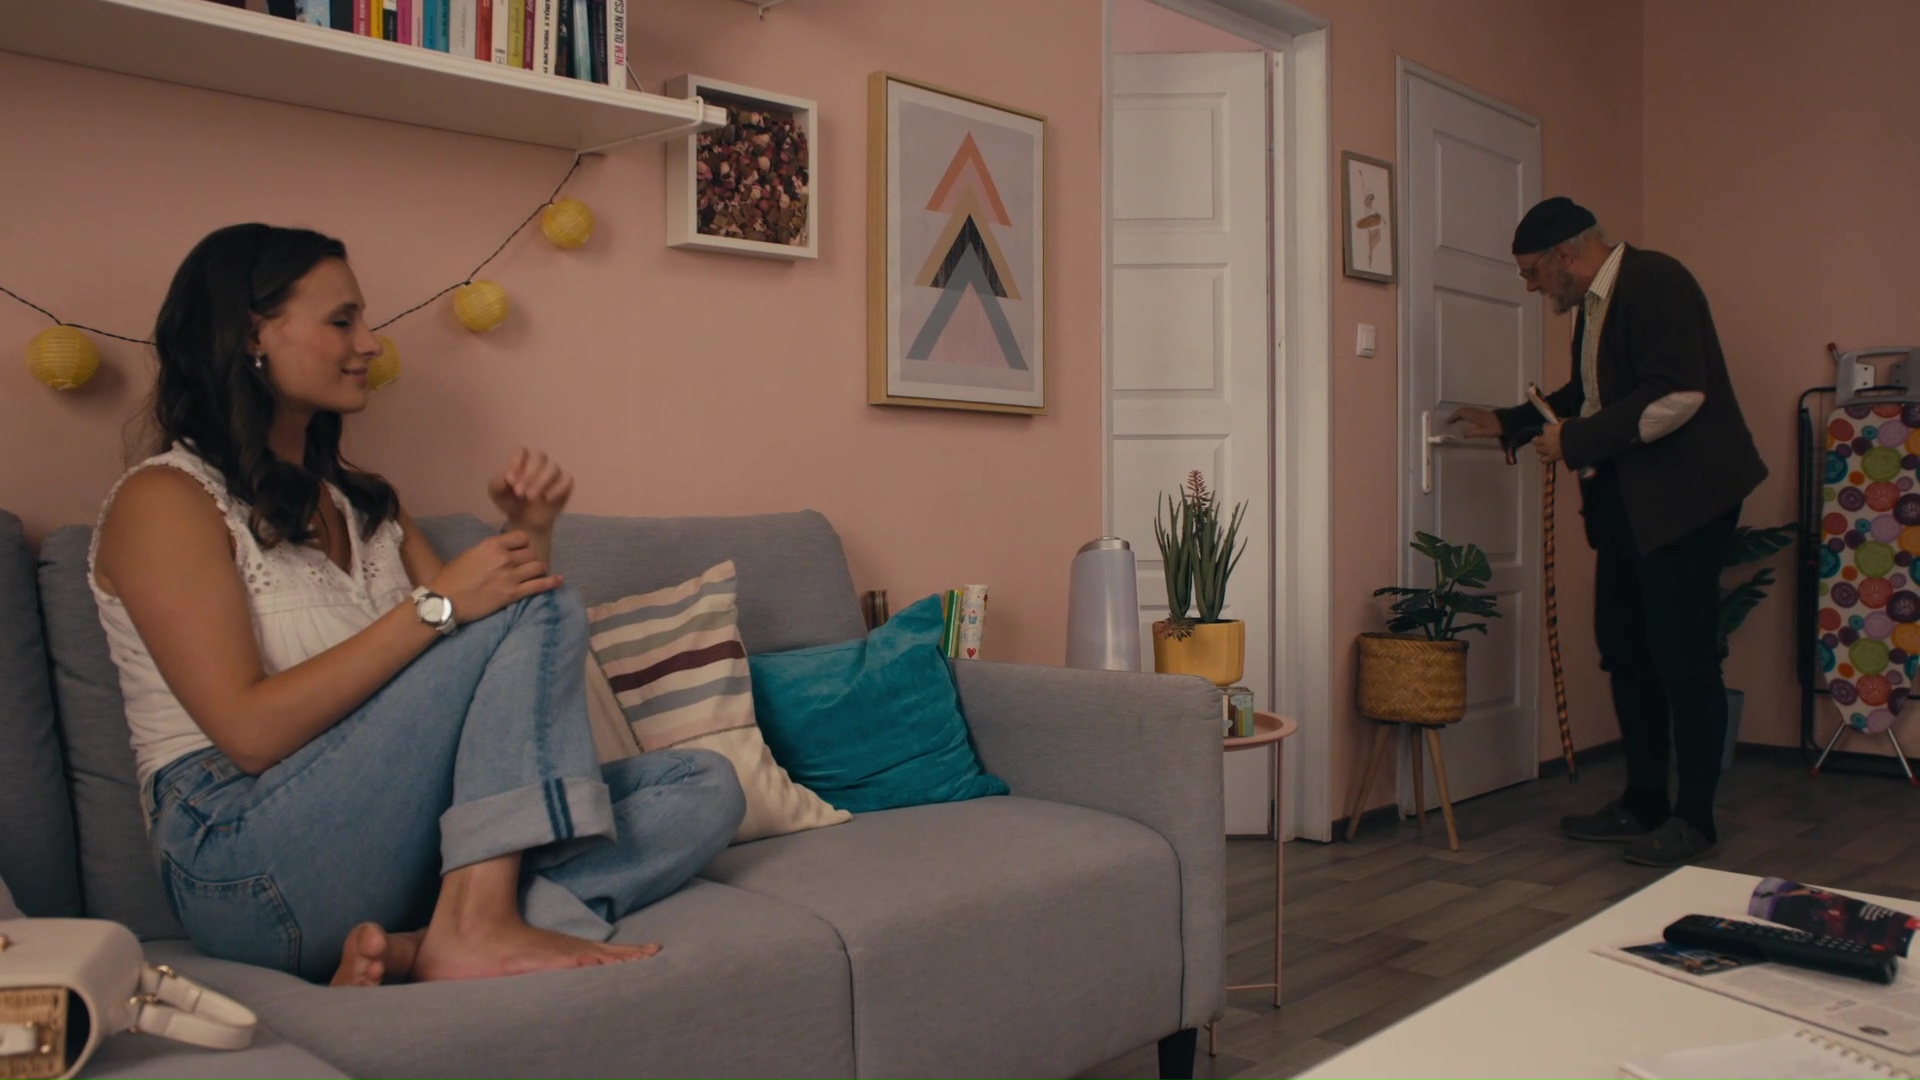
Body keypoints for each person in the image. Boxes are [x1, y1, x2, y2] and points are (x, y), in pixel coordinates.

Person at [90, 223, 746, 986]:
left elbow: (499, 657)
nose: (370, 344)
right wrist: (436, 604)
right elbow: (249, 734)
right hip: (244, 861)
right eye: (343, 321)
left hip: (395, 846)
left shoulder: (369, 506)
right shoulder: (164, 500)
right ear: (251, 335)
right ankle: (479, 922)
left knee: (702, 786)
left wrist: (528, 531)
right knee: (541, 606)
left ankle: (422, 942)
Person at [1450, 197, 1766, 868]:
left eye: (1531, 272)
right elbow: (1591, 397)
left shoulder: (1655, 280)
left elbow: (1678, 394)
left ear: (1564, 254)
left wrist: (1574, 442)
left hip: (1684, 504)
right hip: (1631, 502)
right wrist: (1511, 422)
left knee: (1683, 659)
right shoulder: (1597, 303)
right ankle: (1644, 802)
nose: (1531, 287)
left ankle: (1695, 819)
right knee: (1626, 650)